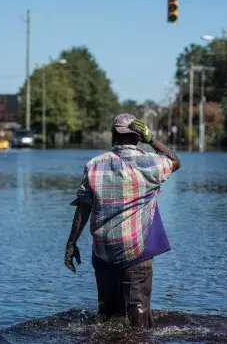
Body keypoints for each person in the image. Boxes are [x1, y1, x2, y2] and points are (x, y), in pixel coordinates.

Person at [64, 113, 181, 328]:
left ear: (113, 135)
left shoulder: (94, 166)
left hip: (103, 250)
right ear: (139, 137)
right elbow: (175, 161)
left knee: (108, 314)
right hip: (137, 248)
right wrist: (153, 139)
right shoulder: (151, 163)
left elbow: (83, 208)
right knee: (139, 307)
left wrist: (71, 243)